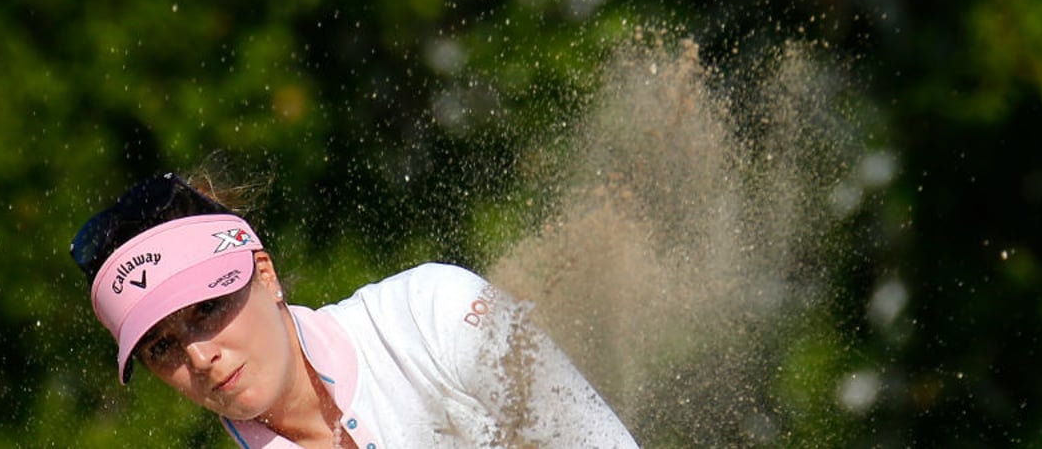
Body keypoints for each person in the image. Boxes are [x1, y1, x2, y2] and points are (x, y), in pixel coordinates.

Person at [70, 171, 639, 448]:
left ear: (264, 274)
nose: (198, 356)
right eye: (162, 346)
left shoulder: (434, 313)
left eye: (208, 308)